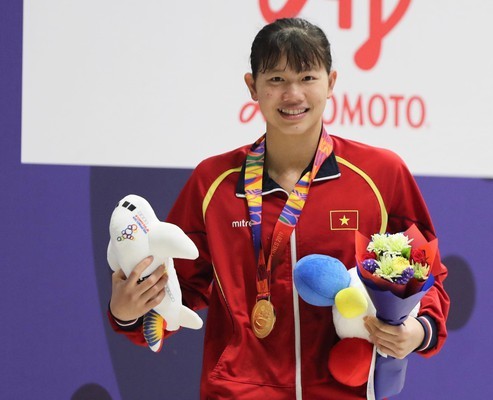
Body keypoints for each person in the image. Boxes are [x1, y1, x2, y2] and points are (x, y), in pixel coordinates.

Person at [108, 17, 449, 399]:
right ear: (252, 87)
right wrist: (128, 312)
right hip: (238, 392)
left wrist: (418, 332)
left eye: (307, 78)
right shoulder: (213, 182)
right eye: (276, 80)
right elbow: (177, 289)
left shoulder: (380, 175)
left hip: (345, 390)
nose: (293, 95)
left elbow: (426, 273)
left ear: (331, 83)